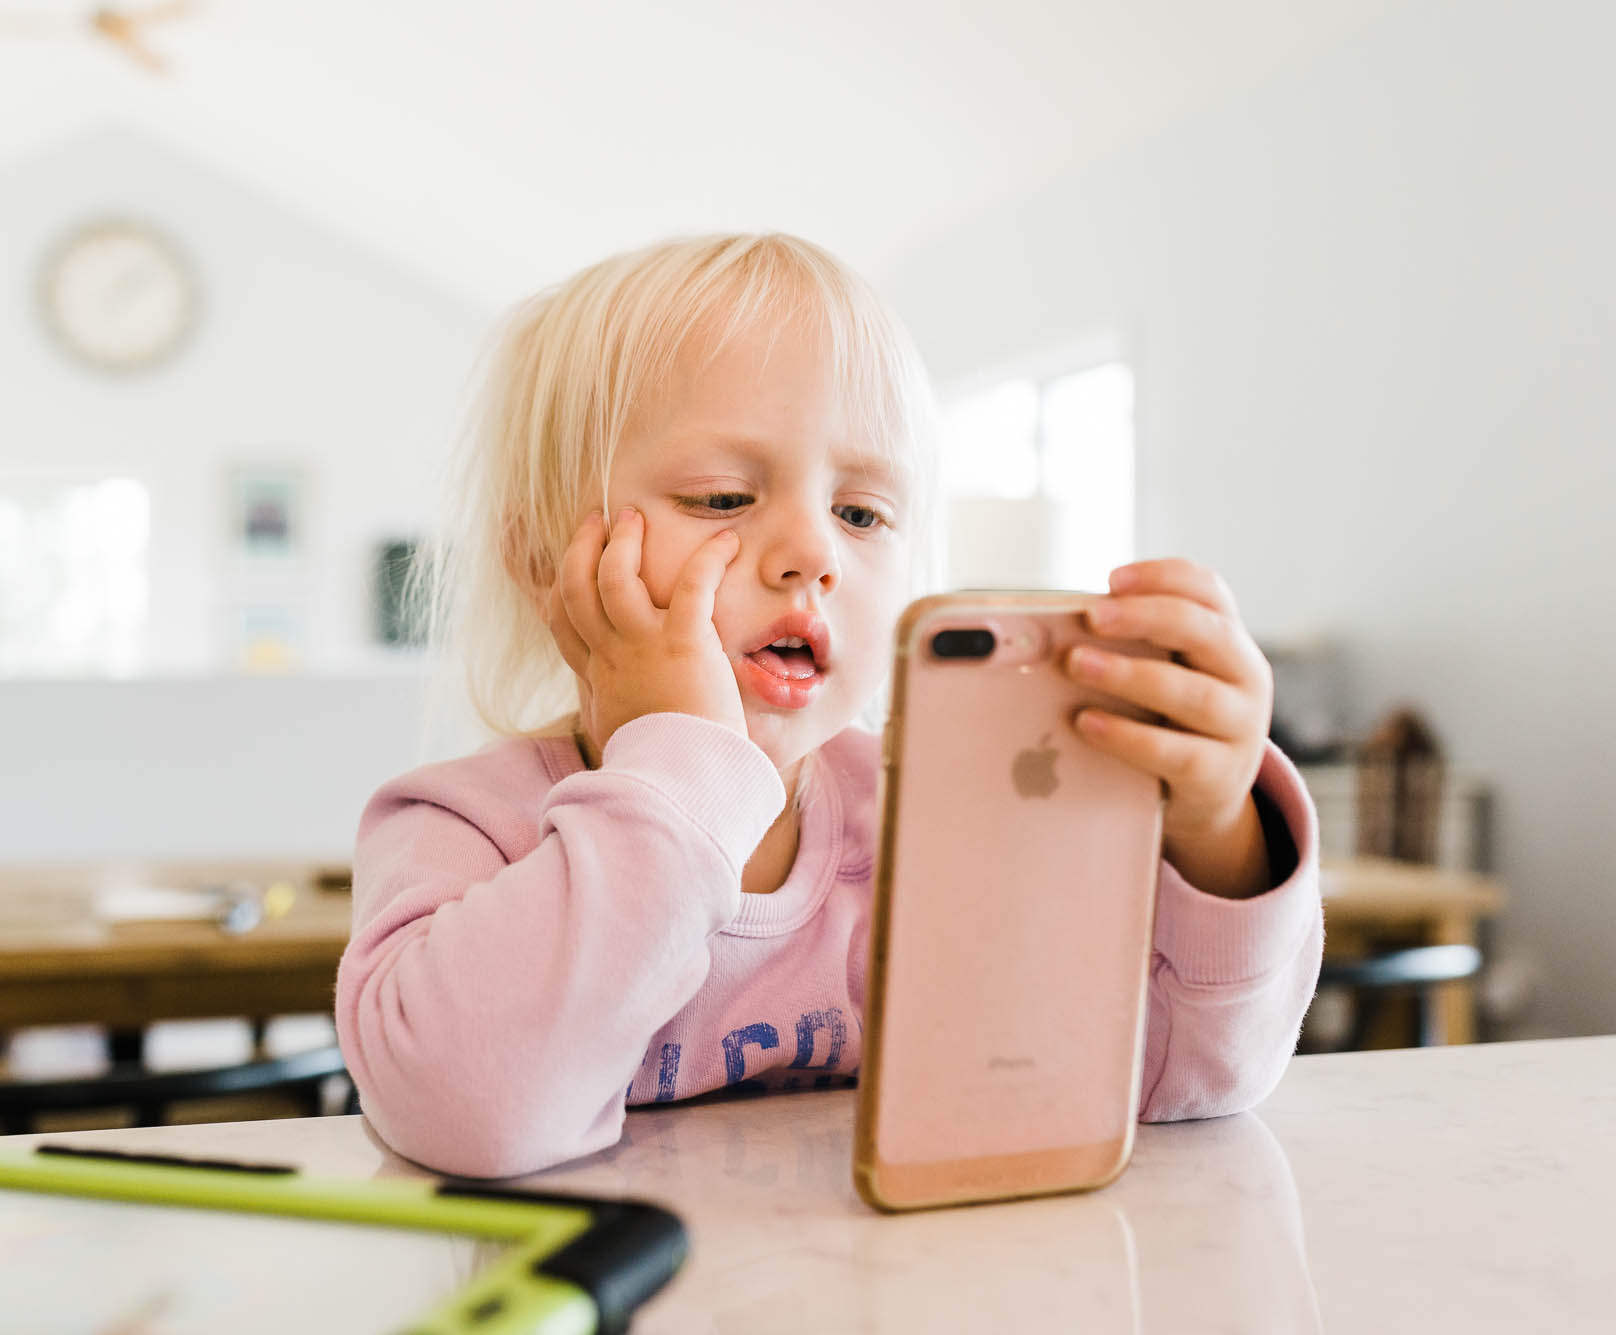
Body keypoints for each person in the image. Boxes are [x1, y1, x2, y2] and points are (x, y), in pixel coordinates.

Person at [335, 233, 1322, 1179]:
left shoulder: (936, 815)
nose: (813, 551)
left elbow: (1174, 1083)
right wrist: (676, 761)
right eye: (721, 498)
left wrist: (1215, 829)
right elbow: (470, 1112)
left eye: (860, 513)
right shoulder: (459, 830)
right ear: (541, 560)